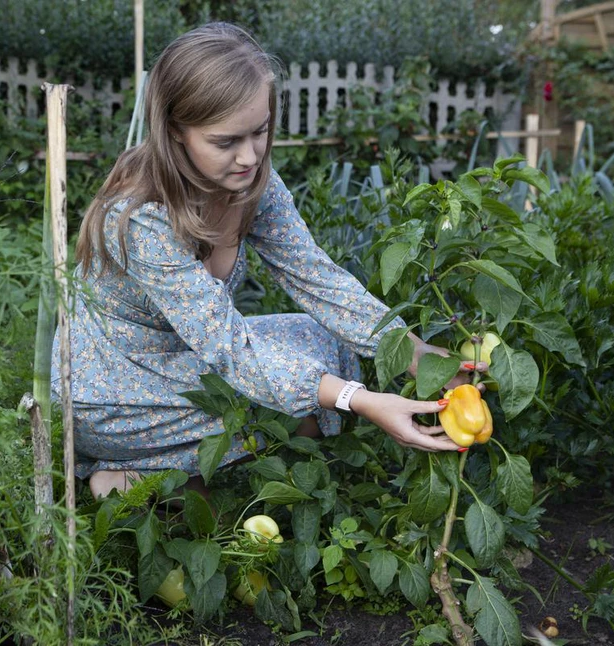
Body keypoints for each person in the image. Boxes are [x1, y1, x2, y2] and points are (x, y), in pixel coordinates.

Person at [58, 22, 482, 499]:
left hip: (182, 357)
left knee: (329, 348)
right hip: (114, 390)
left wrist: (414, 351)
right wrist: (355, 399)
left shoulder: (253, 184)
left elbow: (317, 279)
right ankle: (147, 482)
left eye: (259, 132)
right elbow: (229, 347)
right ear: (176, 132)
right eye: (226, 142)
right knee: (308, 385)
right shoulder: (143, 219)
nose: (249, 156)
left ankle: (189, 480)